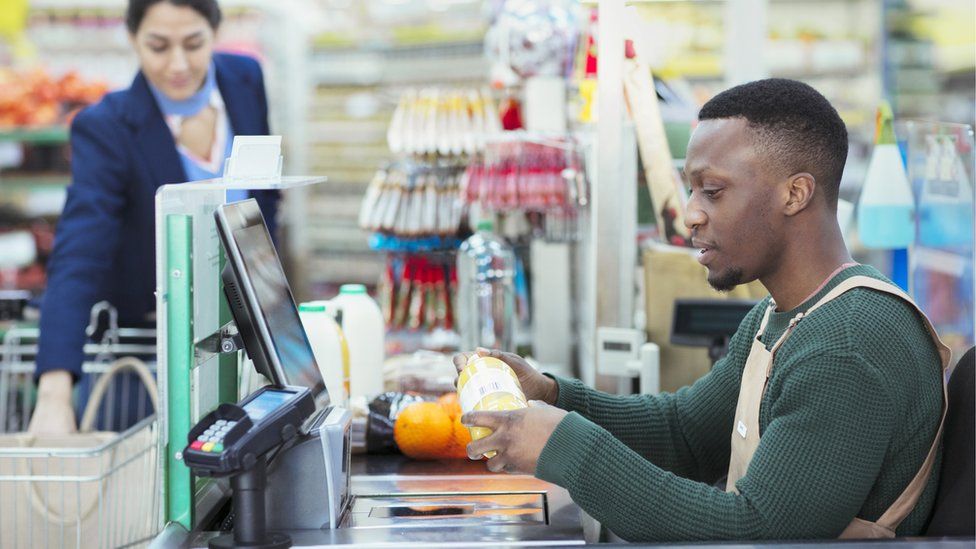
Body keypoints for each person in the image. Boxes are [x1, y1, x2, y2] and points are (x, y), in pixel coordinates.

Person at [456, 79, 950, 541]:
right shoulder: (780, 317)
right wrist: (553, 395)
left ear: (795, 194)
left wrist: (565, 446)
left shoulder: (849, 343)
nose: (691, 214)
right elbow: (685, 436)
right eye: (691, 190)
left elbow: (758, 533)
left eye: (712, 192)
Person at [29, 0, 279, 434]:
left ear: (215, 32)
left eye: (194, 43)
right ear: (132, 40)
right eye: (159, 46)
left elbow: (264, 201)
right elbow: (79, 252)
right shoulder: (107, 126)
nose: (178, 64)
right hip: (151, 355)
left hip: (243, 345)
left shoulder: (244, 81)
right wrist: (54, 391)